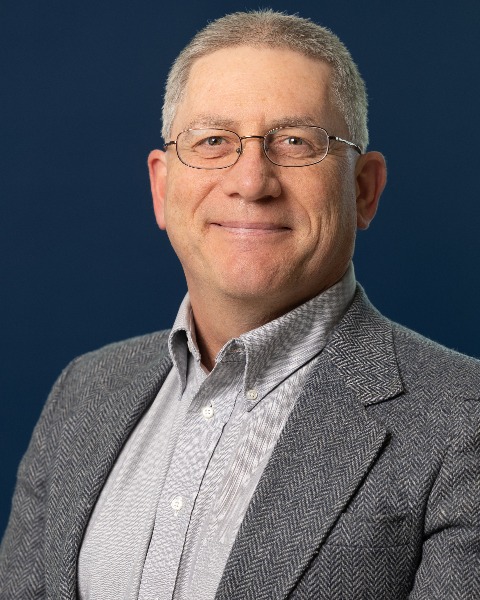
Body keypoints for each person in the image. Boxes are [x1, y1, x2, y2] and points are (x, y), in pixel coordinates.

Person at [1, 9, 479, 600]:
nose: (251, 182)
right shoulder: (83, 394)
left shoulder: (465, 422)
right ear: (161, 187)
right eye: (213, 142)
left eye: (296, 142)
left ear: (363, 189)